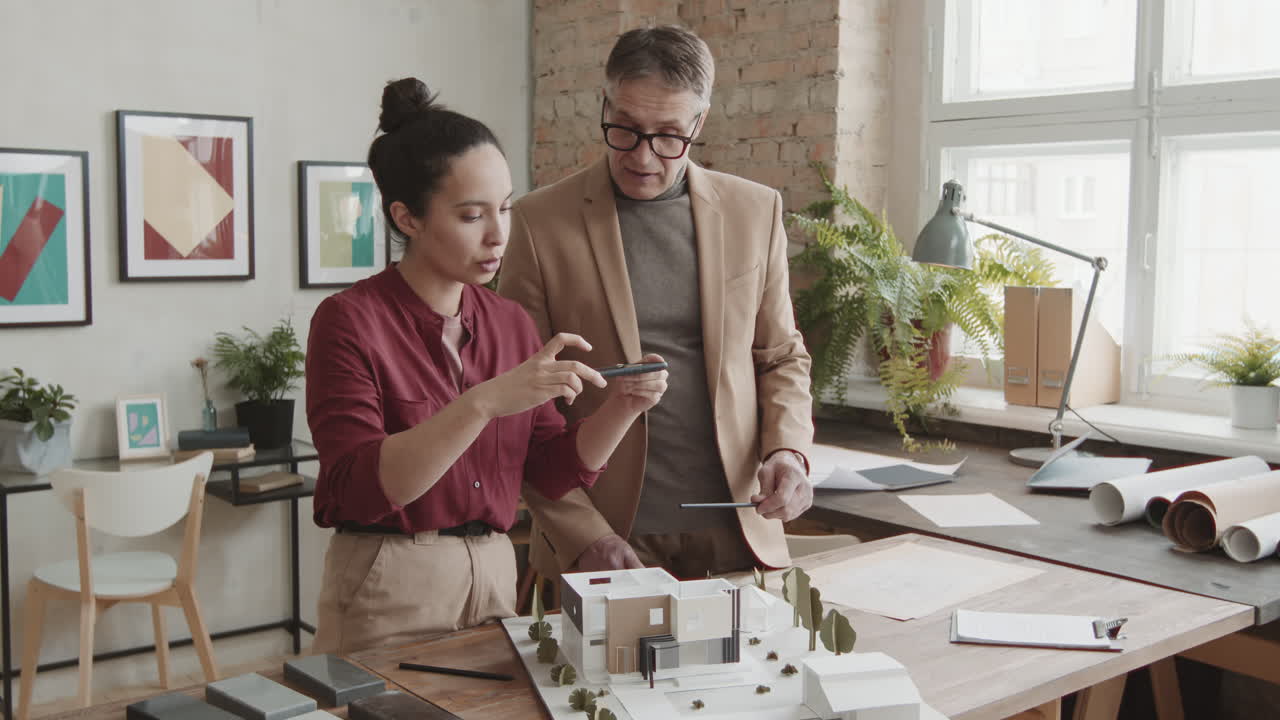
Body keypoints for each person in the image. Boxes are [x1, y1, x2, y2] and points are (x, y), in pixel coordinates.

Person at [305, 77, 668, 654]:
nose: (499, 235)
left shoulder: (509, 323)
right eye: (473, 215)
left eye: (504, 208)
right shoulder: (348, 320)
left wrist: (623, 407)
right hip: (389, 580)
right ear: (407, 218)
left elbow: (546, 472)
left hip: (496, 574)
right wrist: (484, 403)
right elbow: (360, 489)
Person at [498, 25, 814, 581]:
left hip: (738, 527)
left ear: (699, 123)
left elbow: (780, 356)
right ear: (604, 106)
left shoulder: (755, 211)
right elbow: (520, 401)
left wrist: (788, 452)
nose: (643, 157)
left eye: (669, 136)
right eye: (625, 129)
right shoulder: (538, 222)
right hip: (605, 535)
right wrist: (582, 534)